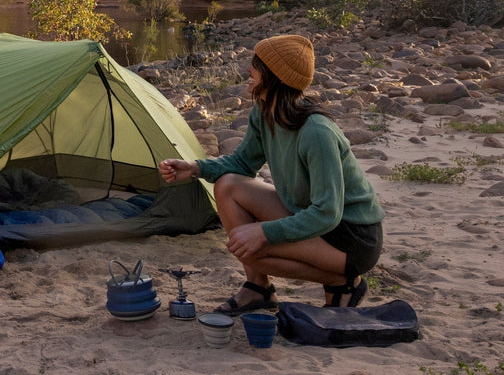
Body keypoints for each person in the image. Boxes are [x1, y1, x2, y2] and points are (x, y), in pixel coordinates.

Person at [158, 34, 384, 314]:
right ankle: (258, 289)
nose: (248, 71)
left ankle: (344, 281)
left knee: (253, 250)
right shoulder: (265, 113)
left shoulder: (317, 133)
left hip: (350, 237)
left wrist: (265, 232)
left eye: (257, 65)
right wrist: (196, 168)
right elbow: (242, 164)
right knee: (228, 185)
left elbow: (328, 212)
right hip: (314, 219)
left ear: (275, 76)